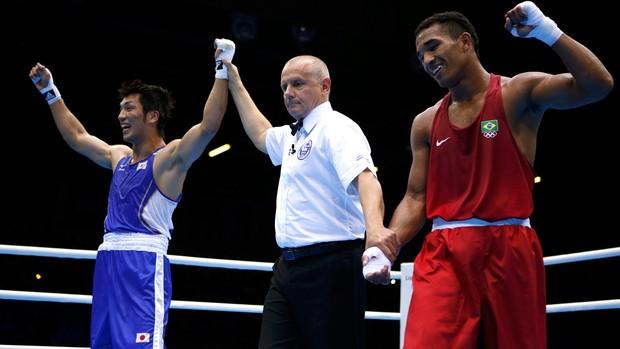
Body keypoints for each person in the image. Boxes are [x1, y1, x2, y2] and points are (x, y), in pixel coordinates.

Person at [366, 1, 613, 348]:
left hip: (509, 249)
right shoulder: (424, 123)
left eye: (433, 46)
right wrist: (386, 246)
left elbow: (598, 85)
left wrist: (547, 31)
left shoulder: (517, 93)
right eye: (420, 54)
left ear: (465, 42)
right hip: (444, 254)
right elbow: (416, 196)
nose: (426, 60)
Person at [28, 38, 236, 348]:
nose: (120, 115)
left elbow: (208, 126)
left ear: (152, 116)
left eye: (129, 108)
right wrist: (50, 91)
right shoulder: (119, 157)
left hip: (143, 263)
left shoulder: (170, 159)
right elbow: (77, 137)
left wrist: (222, 69)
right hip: (108, 259)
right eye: (120, 108)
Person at [221, 52, 400, 348]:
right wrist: (234, 80)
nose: (289, 93)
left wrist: (376, 229)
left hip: (331, 266)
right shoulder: (295, 135)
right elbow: (261, 134)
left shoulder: (337, 128)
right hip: (287, 268)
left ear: (325, 85)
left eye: (298, 84)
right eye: (284, 87)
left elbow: (366, 179)